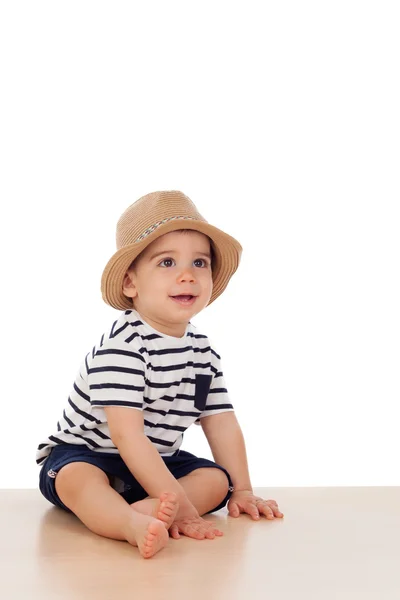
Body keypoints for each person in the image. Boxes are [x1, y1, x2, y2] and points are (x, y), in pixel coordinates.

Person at [36, 190, 283, 559]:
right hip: (90, 453)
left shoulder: (203, 351)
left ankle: (147, 507)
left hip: (157, 461)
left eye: (200, 263)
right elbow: (127, 435)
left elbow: (221, 422)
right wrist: (182, 505)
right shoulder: (123, 347)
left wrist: (243, 489)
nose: (187, 275)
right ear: (130, 284)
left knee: (217, 480)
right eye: (167, 263)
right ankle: (127, 522)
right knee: (78, 480)